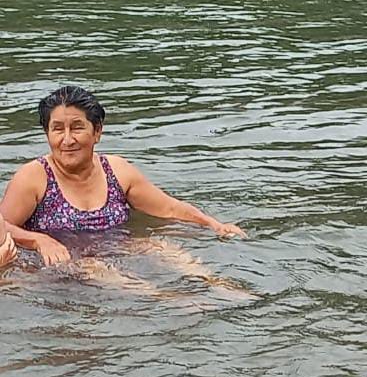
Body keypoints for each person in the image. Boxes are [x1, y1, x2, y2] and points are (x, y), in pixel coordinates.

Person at [1, 86, 246, 266]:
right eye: (57, 129)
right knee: (108, 275)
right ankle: (181, 304)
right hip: (68, 264)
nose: (67, 140)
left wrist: (215, 225)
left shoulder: (116, 170)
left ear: (97, 132)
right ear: (47, 134)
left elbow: (169, 208)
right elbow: (2, 226)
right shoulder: (34, 177)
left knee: (164, 248)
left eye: (77, 127)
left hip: (116, 248)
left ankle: (220, 289)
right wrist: (39, 241)